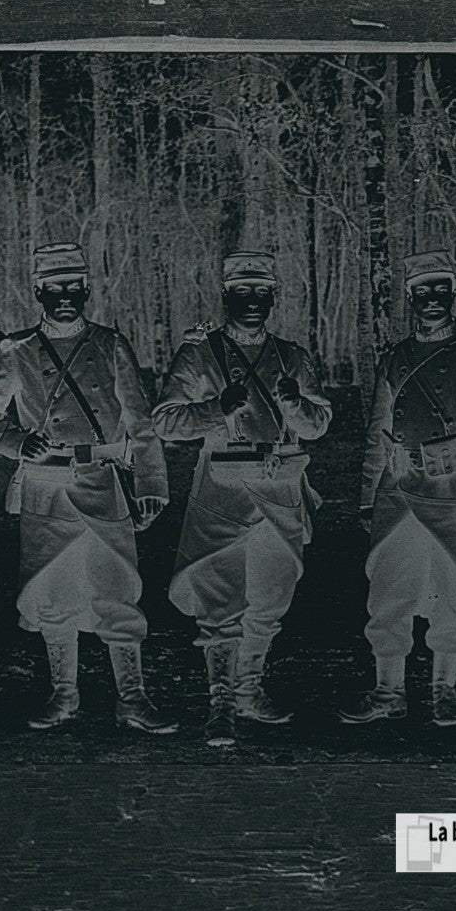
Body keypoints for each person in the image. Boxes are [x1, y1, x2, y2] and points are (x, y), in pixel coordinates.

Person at [0, 242, 175, 733]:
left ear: (85, 290)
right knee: (52, 595)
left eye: (73, 287)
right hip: (46, 488)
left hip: (103, 484)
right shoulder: (16, 352)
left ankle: (133, 698)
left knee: (117, 591)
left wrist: (151, 483)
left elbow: (140, 421)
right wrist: (18, 442)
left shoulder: (110, 344)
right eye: (53, 288)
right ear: (39, 292)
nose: (64, 297)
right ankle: (63, 695)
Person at [154, 251, 333, 746]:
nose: (252, 302)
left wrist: (297, 404)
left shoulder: (293, 355)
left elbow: (320, 425)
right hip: (223, 495)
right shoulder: (198, 355)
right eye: (242, 292)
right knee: (220, 604)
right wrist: (216, 407)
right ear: (226, 295)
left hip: (281, 493)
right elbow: (165, 420)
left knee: (271, 598)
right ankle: (221, 705)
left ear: (273, 296)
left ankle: (251, 689)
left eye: (261, 293)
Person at [340, 249, 456, 728]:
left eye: (440, 289)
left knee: (453, 595)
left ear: (453, 295)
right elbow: (378, 432)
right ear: (410, 297)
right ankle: (388, 690)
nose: (431, 299)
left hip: (455, 496)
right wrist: (365, 498)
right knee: (388, 594)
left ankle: (443, 690)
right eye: (422, 291)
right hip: (397, 495)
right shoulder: (395, 357)